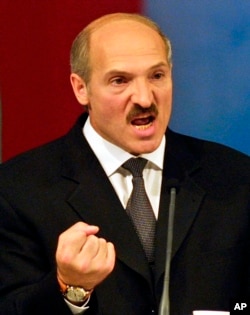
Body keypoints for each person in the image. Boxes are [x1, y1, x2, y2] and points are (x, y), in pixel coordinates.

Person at [0, 12, 249, 315]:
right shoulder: (18, 190)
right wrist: (70, 287)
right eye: (120, 80)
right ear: (81, 88)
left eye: (157, 76)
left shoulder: (236, 177)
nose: (145, 98)